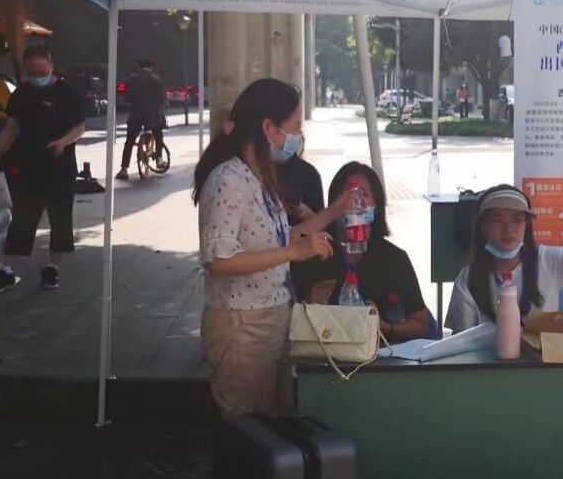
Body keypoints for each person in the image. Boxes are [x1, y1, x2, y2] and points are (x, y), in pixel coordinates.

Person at [194, 78, 350, 418]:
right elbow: (219, 260)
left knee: (272, 423)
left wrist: (333, 212)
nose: (297, 138)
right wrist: (295, 254)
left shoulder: (259, 178)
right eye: (294, 129)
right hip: (242, 326)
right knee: (246, 425)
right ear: (268, 128)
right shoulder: (227, 181)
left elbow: (280, 237)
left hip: (272, 318)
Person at [445, 184, 563, 332]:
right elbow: (459, 343)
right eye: (498, 220)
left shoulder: (546, 259)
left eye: (517, 220)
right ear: (483, 226)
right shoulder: (467, 279)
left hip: (543, 363)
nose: (508, 229)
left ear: (527, 225)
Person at [0, 45, 86, 293]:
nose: (38, 77)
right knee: (22, 219)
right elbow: (10, 129)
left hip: (60, 168)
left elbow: (80, 127)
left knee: (60, 220)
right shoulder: (23, 93)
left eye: (42, 72)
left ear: (51, 64)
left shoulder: (67, 92)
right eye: (33, 73)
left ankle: (52, 268)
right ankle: (8, 270)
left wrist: (63, 142)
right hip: (28, 166)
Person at [293, 162, 431, 343]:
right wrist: (310, 303)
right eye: (348, 195)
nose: (357, 203)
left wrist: (386, 328)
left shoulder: (394, 258)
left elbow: (421, 324)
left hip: (384, 354)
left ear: (376, 206)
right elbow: (288, 323)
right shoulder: (314, 253)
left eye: (364, 194)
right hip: (327, 354)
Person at [116, 58, 167, 180]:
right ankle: (159, 159)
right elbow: (162, 98)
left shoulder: (132, 80)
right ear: (151, 67)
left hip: (136, 115)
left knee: (129, 141)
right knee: (158, 135)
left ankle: (124, 169)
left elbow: (126, 97)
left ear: (138, 67)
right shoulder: (157, 80)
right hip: (153, 115)